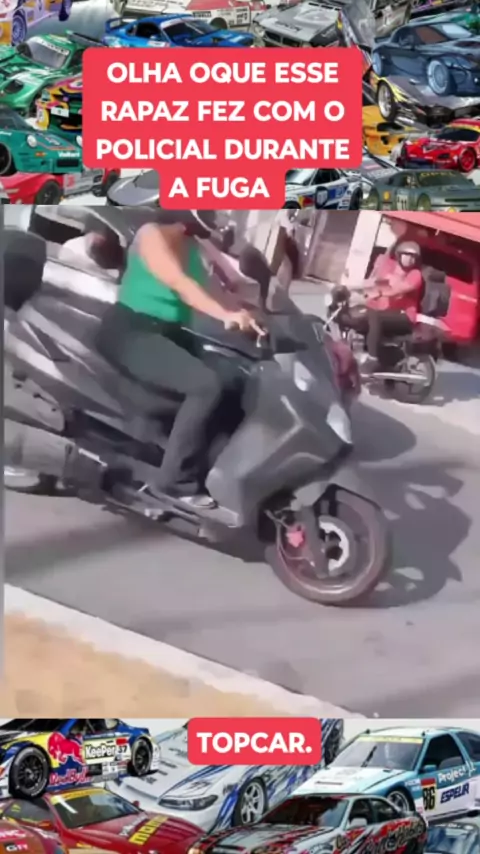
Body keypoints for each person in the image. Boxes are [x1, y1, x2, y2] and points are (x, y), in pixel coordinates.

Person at [97, 209, 264, 509]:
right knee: (206, 386)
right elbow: (181, 284)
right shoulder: (152, 236)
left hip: (170, 333)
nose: (215, 218)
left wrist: (251, 314)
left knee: (234, 378)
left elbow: (211, 289)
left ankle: (217, 468)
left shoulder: (191, 246)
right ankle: (174, 482)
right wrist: (225, 315)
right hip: (131, 330)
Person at [361, 240, 424, 368]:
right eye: (406, 255)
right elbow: (375, 284)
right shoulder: (390, 271)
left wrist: (379, 293)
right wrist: (353, 288)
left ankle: (372, 358)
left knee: (376, 316)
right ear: (399, 255)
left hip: (405, 316)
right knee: (361, 313)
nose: (409, 259)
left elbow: (398, 290)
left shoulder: (415, 275)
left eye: (413, 257)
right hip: (388, 312)